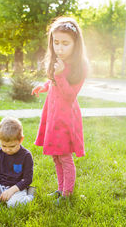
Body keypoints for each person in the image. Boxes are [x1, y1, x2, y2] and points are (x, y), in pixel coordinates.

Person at [31, 17, 88, 202]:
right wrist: (44, 86)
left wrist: (60, 75)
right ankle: (60, 189)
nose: (60, 48)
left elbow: (70, 96)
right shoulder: (57, 61)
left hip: (65, 118)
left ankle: (67, 194)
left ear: (75, 44)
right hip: (53, 115)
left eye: (65, 43)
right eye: (56, 43)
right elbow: (53, 81)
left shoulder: (80, 67)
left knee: (64, 157)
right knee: (56, 156)